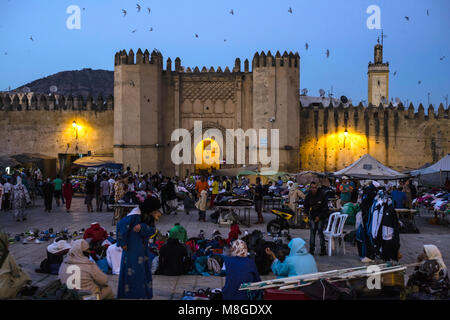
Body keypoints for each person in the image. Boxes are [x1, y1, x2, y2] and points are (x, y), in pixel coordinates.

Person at [116, 197, 161, 299]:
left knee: (142, 271)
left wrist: (142, 227)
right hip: (131, 249)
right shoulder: (134, 215)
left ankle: (142, 294)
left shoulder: (148, 216)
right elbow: (120, 225)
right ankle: (132, 295)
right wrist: (122, 243)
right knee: (133, 271)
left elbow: (153, 230)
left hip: (143, 249)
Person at [0, 232, 32, 299]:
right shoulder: (6, 255)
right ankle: (23, 287)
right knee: (22, 274)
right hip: (2, 292)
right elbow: (16, 272)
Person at [304, 182, 329, 256]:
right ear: (310, 188)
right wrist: (305, 213)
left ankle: (323, 250)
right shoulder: (308, 195)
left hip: (321, 216)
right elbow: (306, 205)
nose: (313, 189)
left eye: (315, 187)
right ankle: (311, 250)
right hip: (312, 216)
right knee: (312, 233)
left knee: (320, 233)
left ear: (317, 187)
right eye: (312, 187)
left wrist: (319, 217)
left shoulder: (322, 195)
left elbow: (325, 208)